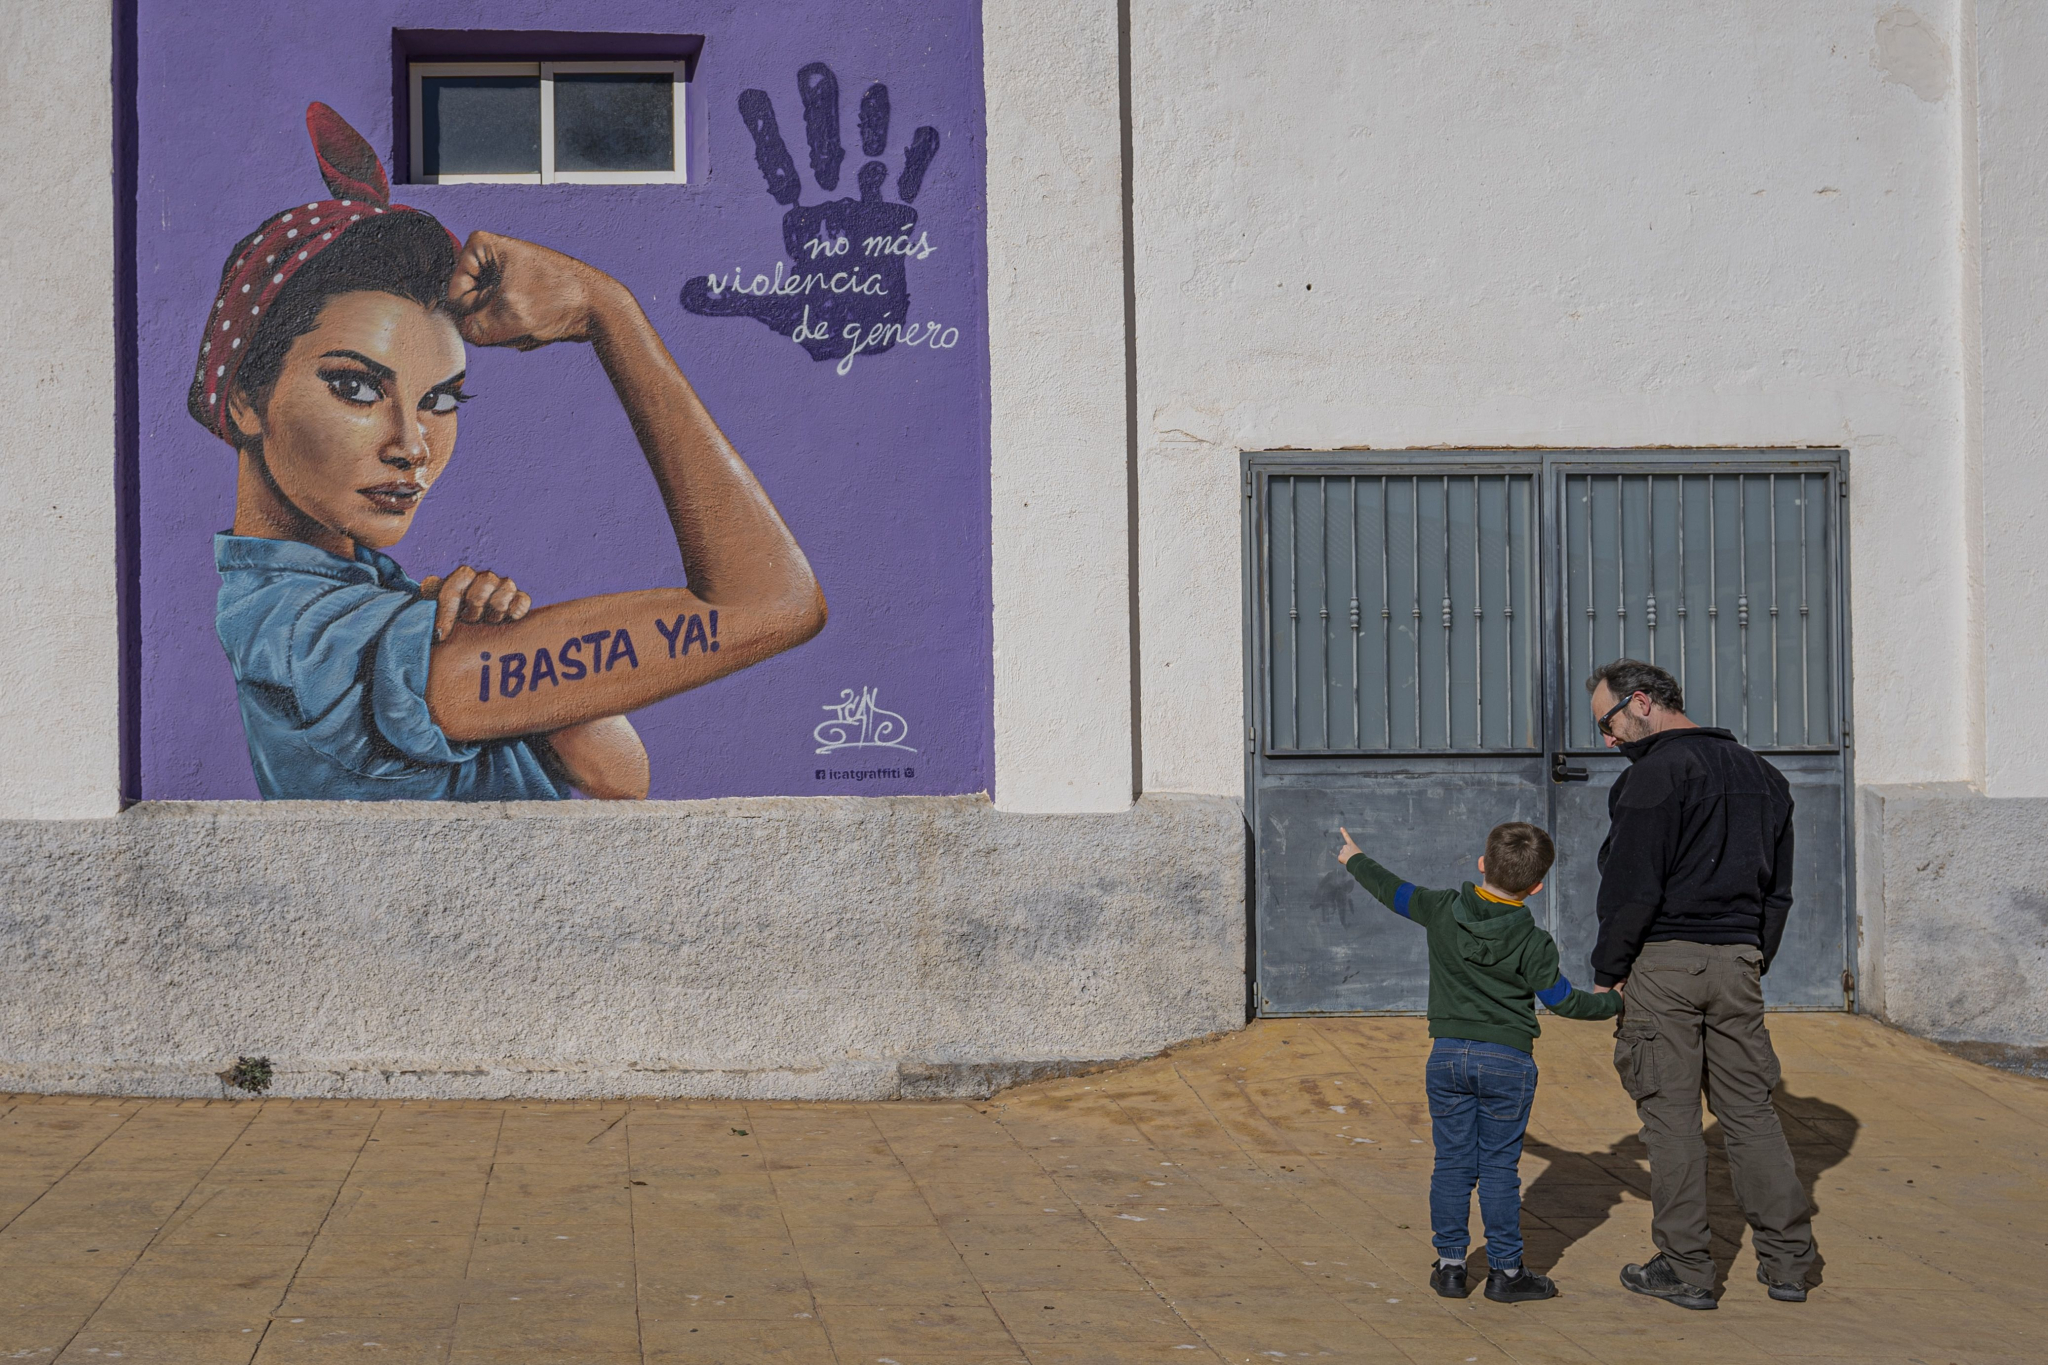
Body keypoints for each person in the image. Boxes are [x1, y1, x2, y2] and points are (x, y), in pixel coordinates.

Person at [190, 103, 825, 800]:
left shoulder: (368, 605)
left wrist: (504, 639)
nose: (412, 445)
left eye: (440, 400)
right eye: (355, 386)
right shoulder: (319, 643)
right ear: (247, 397)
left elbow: (613, 769)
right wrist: (606, 311)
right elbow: (773, 601)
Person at [1585, 659, 1814, 1309]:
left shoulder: (1655, 776)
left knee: (1672, 1117)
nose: (1607, 740)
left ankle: (1687, 1267)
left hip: (1664, 964)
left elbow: (1631, 885)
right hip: (1738, 960)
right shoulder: (1765, 777)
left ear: (1641, 701)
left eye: (1608, 723)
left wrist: (1611, 970)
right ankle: (1789, 1263)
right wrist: (1751, 955)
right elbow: (1780, 890)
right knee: (1751, 1112)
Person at [1335, 820, 1621, 1303]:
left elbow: (1392, 891)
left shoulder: (1441, 909)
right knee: (1498, 1169)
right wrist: (1615, 1001)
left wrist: (1354, 858)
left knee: (1451, 1164)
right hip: (1507, 1062)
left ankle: (1450, 1266)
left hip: (1446, 1057)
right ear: (1536, 886)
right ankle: (1506, 1273)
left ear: (1483, 863)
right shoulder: (1534, 942)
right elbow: (1564, 1002)